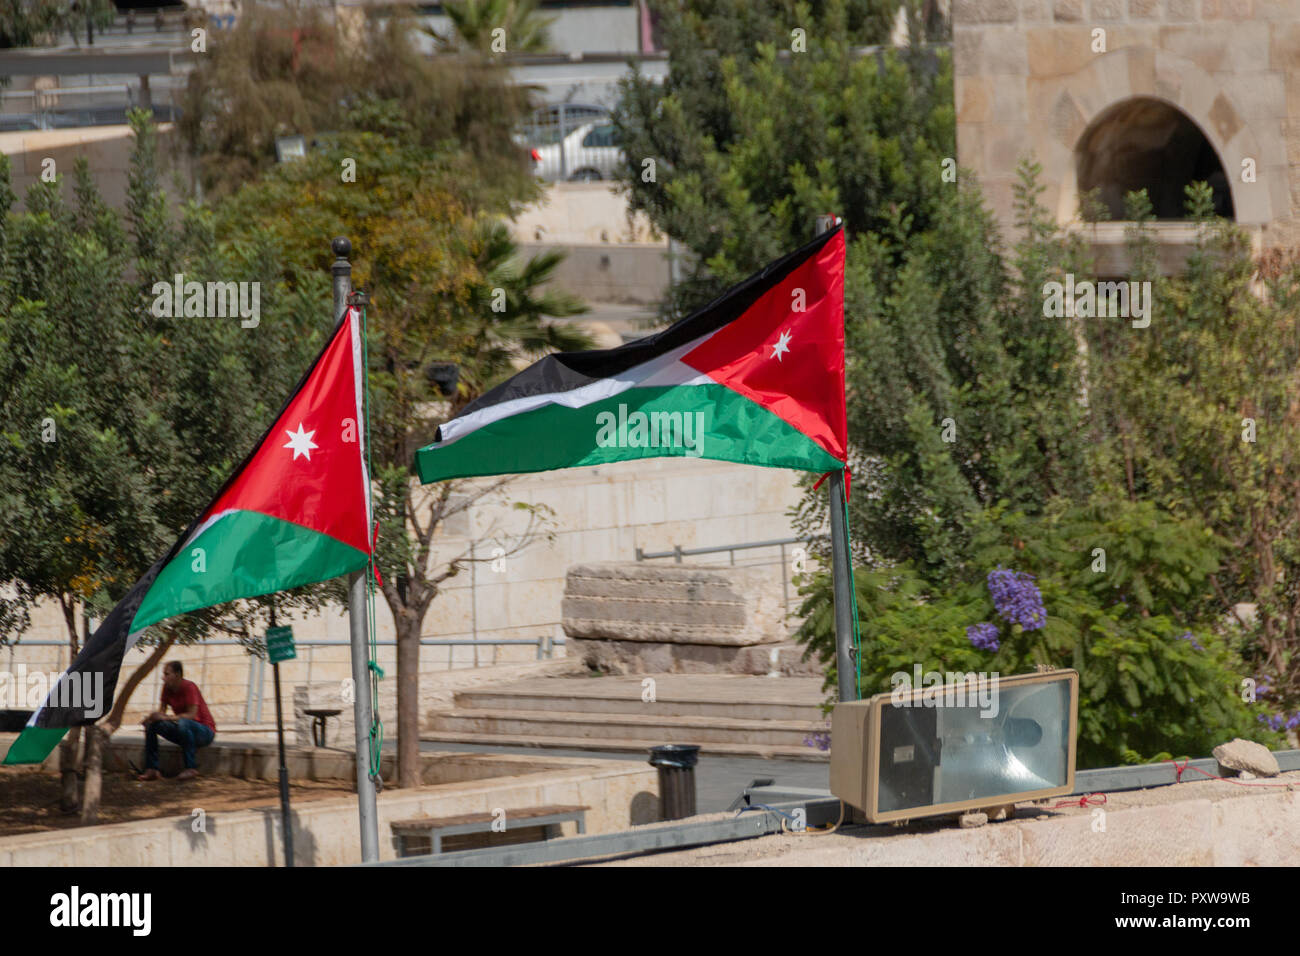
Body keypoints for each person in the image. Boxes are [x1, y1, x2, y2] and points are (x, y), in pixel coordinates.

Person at [138, 661, 217, 781]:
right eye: (164, 674)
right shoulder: (166, 688)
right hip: (185, 732)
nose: (163, 677)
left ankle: (191, 768)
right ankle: (152, 768)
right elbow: (162, 713)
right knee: (152, 725)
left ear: (177, 674)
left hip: (204, 731)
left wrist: (166, 718)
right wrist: (151, 718)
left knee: (183, 722)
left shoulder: (189, 687)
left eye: (167, 674)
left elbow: (191, 715)